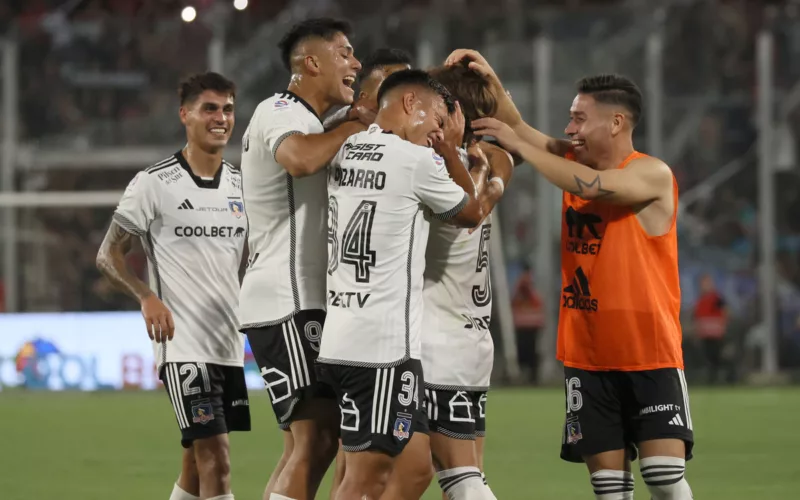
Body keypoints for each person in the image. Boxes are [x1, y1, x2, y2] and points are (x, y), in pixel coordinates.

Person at [452, 49, 694, 500]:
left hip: (650, 353)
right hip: (587, 355)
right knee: (609, 488)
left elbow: (585, 183)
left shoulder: (650, 173)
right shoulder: (572, 160)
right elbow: (523, 130)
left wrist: (521, 145)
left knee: (663, 477)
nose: (569, 129)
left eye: (580, 119)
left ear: (616, 123)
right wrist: (492, 82)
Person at [316, 69, 488, 500]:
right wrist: (450, 152)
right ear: (411, 103)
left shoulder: (345, 146)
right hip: (383, 349)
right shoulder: (416, 162)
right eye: (435, 119)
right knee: (364, 480)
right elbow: (471, 214)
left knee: (396, 469)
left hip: (340, 337)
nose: (436, 131)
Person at [96, 72, 249, 500]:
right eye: (210, 108)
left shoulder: (242, 184)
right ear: (185, 115)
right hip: (182, 345)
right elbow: (108, 255)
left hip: (228, 345)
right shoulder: (154, 183)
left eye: (228, 108)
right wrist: (146, 296)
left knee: (195, 468)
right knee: (216, 459)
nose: (221, 118)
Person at [237, 17, 368, 500]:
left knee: (306, 442)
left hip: (299, 299)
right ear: (311, 62)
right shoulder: (279, 109)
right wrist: (353, 124)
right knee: (317, 439)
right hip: (286, 298)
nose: (355, 63)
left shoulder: (316, 121)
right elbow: (299, 159)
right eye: (345, 53)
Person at [387, 63, 513, 500]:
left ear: (453, 113)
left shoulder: (436, 171)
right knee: (460, 478)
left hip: (435, 343)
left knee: (457, 480)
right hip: (474, 343)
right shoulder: (491, 163)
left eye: (437, 106)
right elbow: (505, 154)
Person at [325, 45, 413, 498]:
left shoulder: (340, 143)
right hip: (380, 337)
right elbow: (470, 209)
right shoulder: (408, 157)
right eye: (390, 90)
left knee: (352, 465)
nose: (404, 102)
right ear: (364, 99)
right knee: (372, 474)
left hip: (349, 326)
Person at [323, 47, 413, 130]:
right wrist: (349, 113)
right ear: (363, 97)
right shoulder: (349, 133)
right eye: (395, 82)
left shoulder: (419, 127)